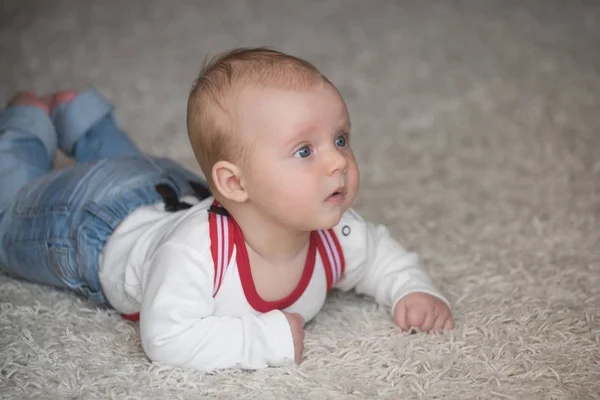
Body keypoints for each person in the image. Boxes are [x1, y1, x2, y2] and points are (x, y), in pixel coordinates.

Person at [0, 48, 454, 372]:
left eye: (340, 138)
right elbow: (166, 339)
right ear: (235, 183)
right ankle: (27, 123)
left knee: (131, 164)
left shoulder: (335, 230)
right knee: (7, 219)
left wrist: (411, 290)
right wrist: (265, 339)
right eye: (304, 150)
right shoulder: (197, 253)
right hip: (96, 220)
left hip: (175, 186)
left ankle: (84, 118)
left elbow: (377, 254)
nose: (337, 160)